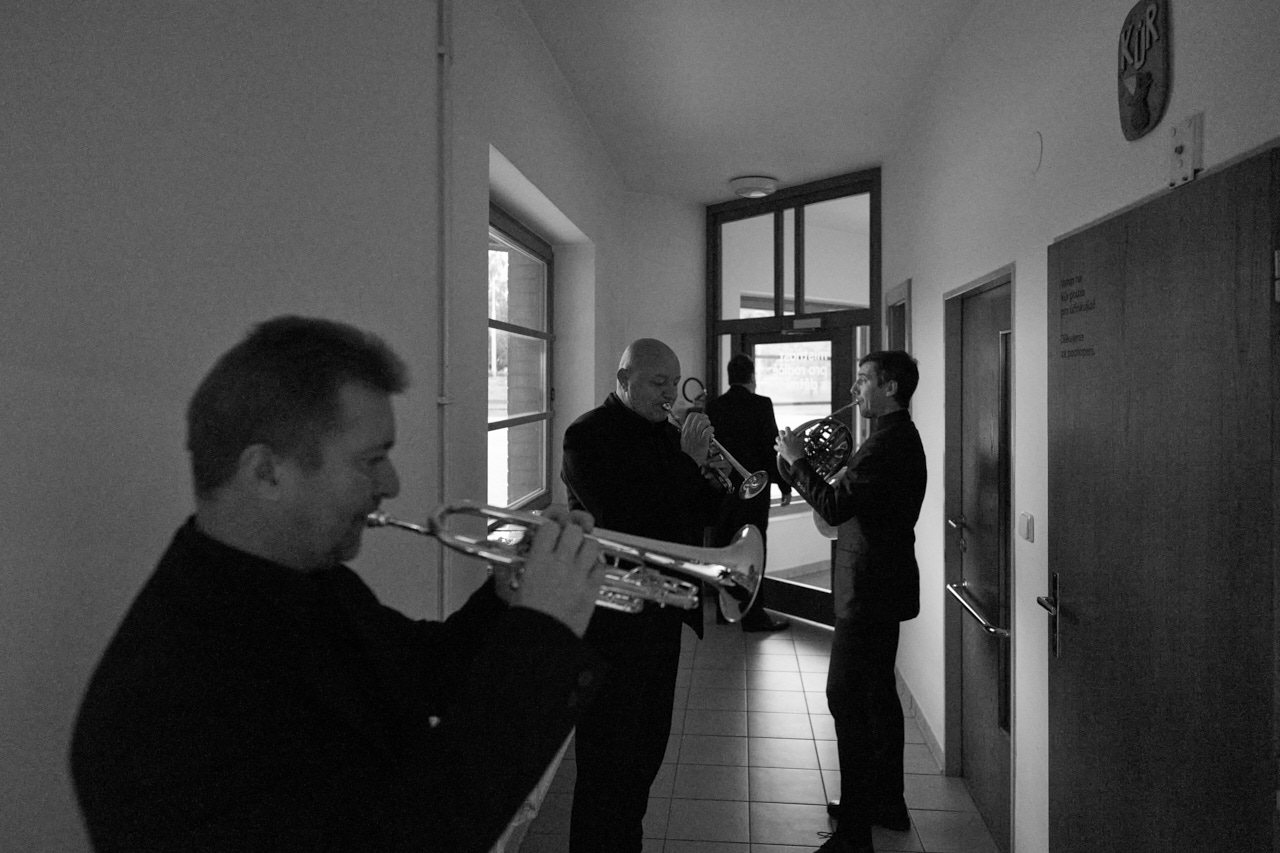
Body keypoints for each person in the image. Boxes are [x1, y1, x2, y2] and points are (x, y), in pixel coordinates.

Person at [70, 315, 608, 853]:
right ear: (266, 472)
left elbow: (425, 669)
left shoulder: (305, 579)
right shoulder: (162, 704)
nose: (392, 484)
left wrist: (508, 598)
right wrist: (543, 635)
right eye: (371, 460)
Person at [561, 338, 728, 853]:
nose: (670, 394)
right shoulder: (587, 435)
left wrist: (714, 478)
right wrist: (688, 463)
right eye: (659, 383)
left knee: (645, 756)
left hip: (662, 616)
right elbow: (623, 519)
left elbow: (693, 514)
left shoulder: (668, 436)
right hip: (610, 624)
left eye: (674, 383)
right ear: (624, 380)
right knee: (606, 765)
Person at [776, 351, 927, 853]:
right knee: (877, 699)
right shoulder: (892, 438)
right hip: (880, 587)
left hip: (868, 592)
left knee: (845, 699)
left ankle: (855, 834)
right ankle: (885, 803)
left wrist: (798, 462)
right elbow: (848, 503)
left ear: (890, 387)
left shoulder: (886, 444)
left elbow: (836, 506)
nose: (854, 390)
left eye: (863, 380)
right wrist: (803, 470)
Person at [704, 353, 791, 632]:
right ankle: (753, 615)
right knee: (754, 550)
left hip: (722, 492)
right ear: (752, 377)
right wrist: (784, 484)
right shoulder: (761, 404)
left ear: (730, 377)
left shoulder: (714, 406)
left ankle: (725, 609)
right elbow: (771, 448)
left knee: (724, 548)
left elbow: (710, 449)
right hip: (754, 491)